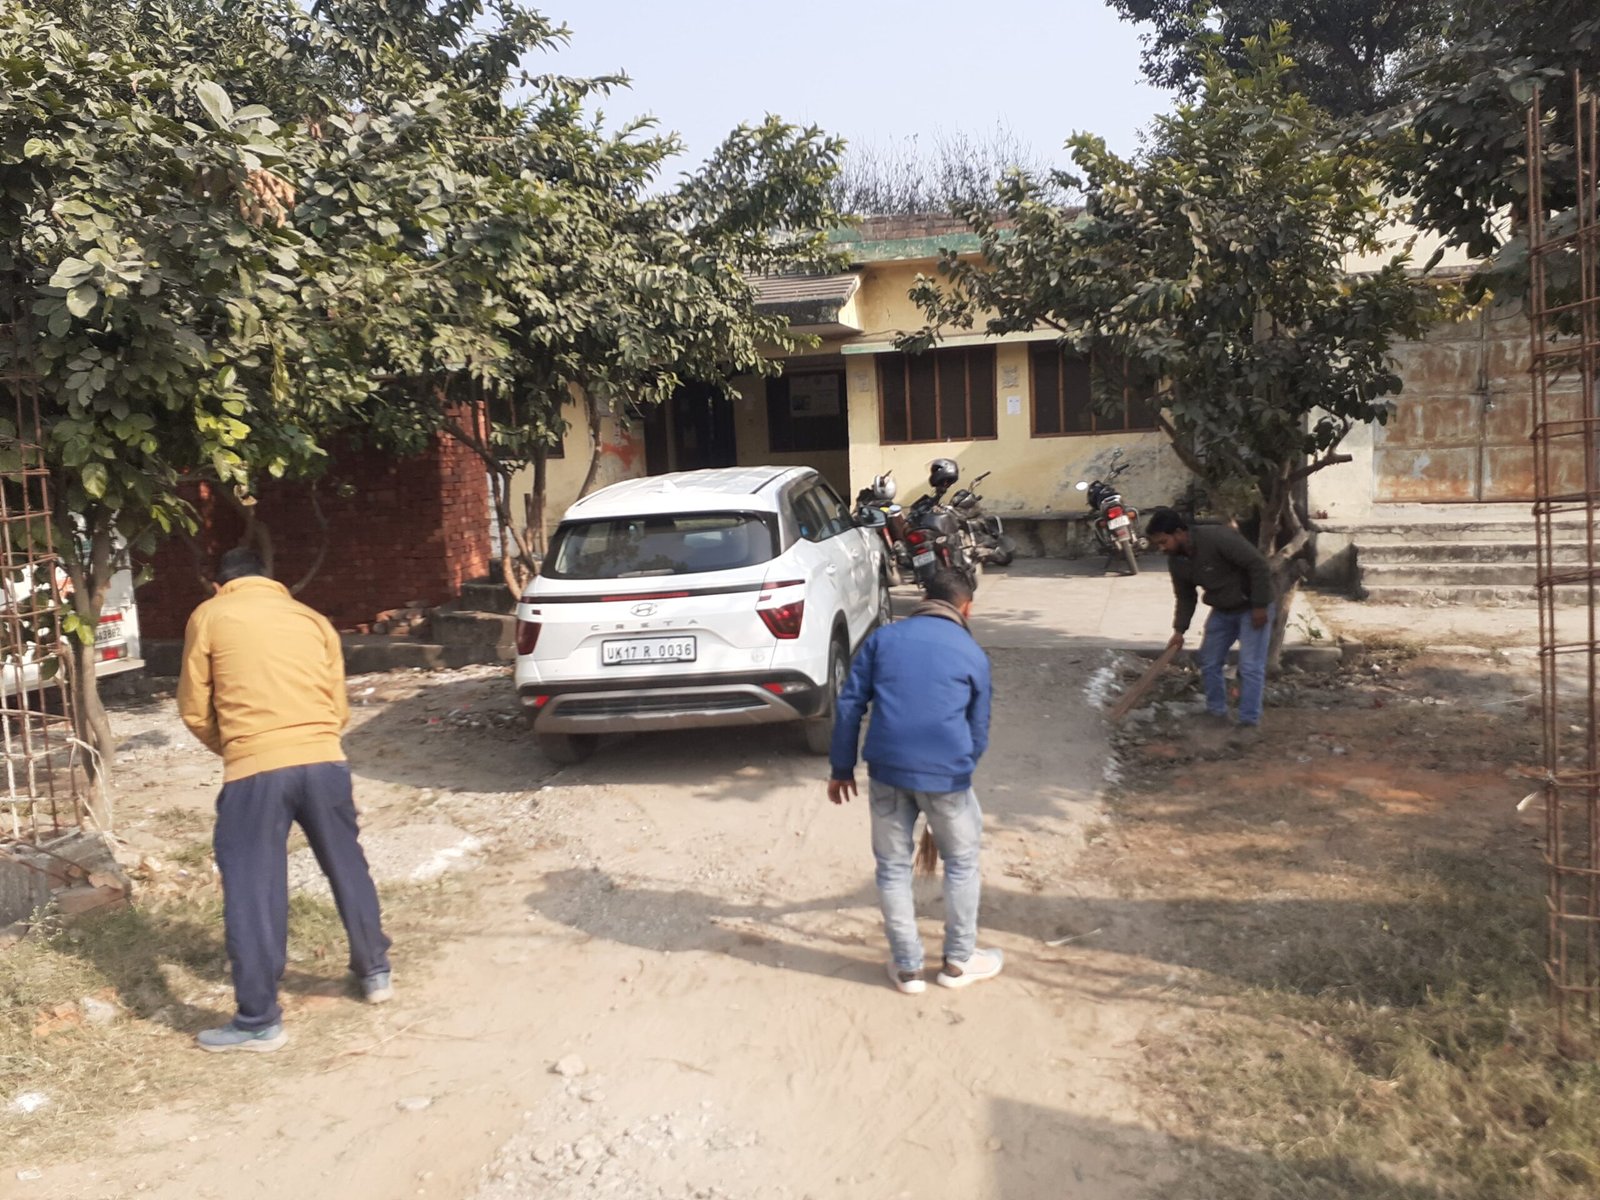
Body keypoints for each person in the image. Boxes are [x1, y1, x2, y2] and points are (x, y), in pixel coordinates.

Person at [178, 547, 392, 1052]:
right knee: (347, 863)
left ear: (219, 584)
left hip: (255, 768)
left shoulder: (209, 615)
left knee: (253, 887)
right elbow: (337, 704)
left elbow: (194, 708)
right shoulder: (311, 618)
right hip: (325, 760)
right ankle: (375, 971)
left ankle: (258, 1021)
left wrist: (237, 746)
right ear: (269, 579)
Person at [827, 569, 1001, 995]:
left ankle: (907, 968)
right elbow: (978, 728)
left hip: (887, 771)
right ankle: (959, 961)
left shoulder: (883, 640)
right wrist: (958, 771)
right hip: (947, 778)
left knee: (892, 867)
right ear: (966, 607)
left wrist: (841, 768)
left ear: (925, 598)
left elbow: (849, 705)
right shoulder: (971, 652)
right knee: (961, 863)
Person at [1145, 509, 1276, 740]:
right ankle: (1217, 713)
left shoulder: (1217, 538)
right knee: (1209, 661)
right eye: (1158, 544)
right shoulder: (1177, 561)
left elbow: (1258, 565)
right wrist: (1179, 630)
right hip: (1223, 611)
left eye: (1164, 541)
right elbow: (1185, 596)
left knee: (1250, 666)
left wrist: (1259, 605)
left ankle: (1249, 723)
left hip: (1252, 607)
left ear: (1179, 533)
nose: (1162, 548)